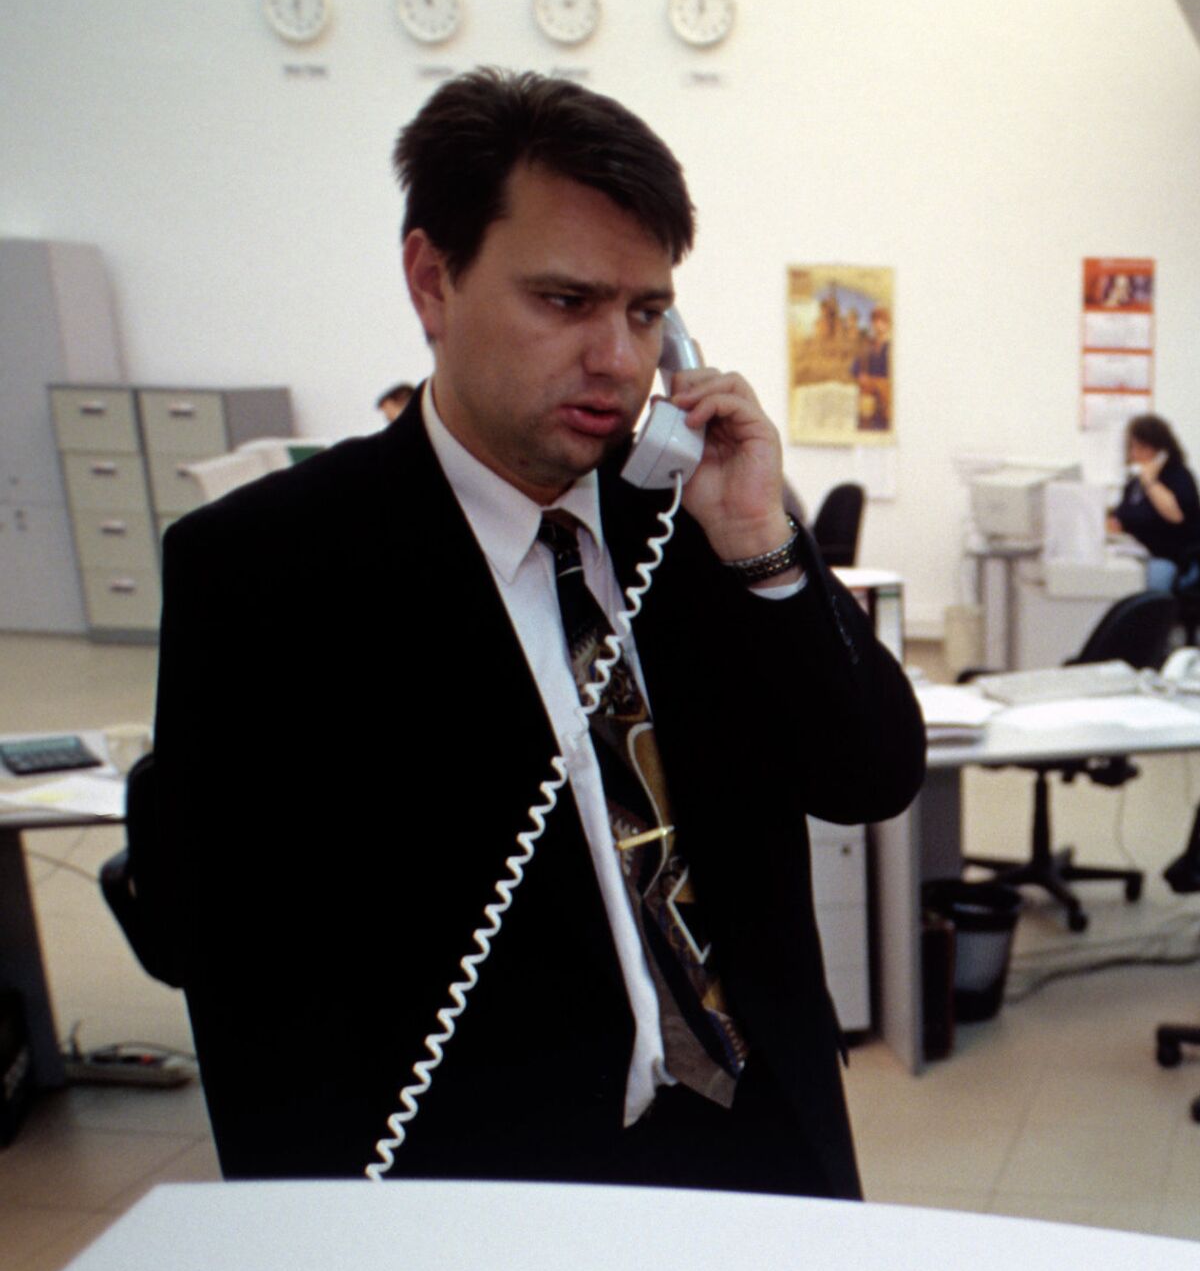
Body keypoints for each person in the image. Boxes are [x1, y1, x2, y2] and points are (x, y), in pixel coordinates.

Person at [151, 68, 925, 1196]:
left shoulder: (696, 517)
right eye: (566, 302)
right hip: (493, 1182)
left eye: (647, 312)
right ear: (433, 281)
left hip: (764, 1136)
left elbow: (872, 774)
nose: (619, 358)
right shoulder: (264, 569)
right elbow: (244, 979)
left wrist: (764, 542)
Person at [1106, 414, 1200, 593]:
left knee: (1148, 581)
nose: (1134, 454)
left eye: (1142, 447)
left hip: (1170, 560)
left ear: (1162, 449)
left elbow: (1176, 516)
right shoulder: (1134, 483)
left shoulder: (1179, 477)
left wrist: (1150, 481)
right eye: (1132, 447)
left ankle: (1152, 611)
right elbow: (1121, 516)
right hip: (1137, 555)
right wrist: (1114, 523)